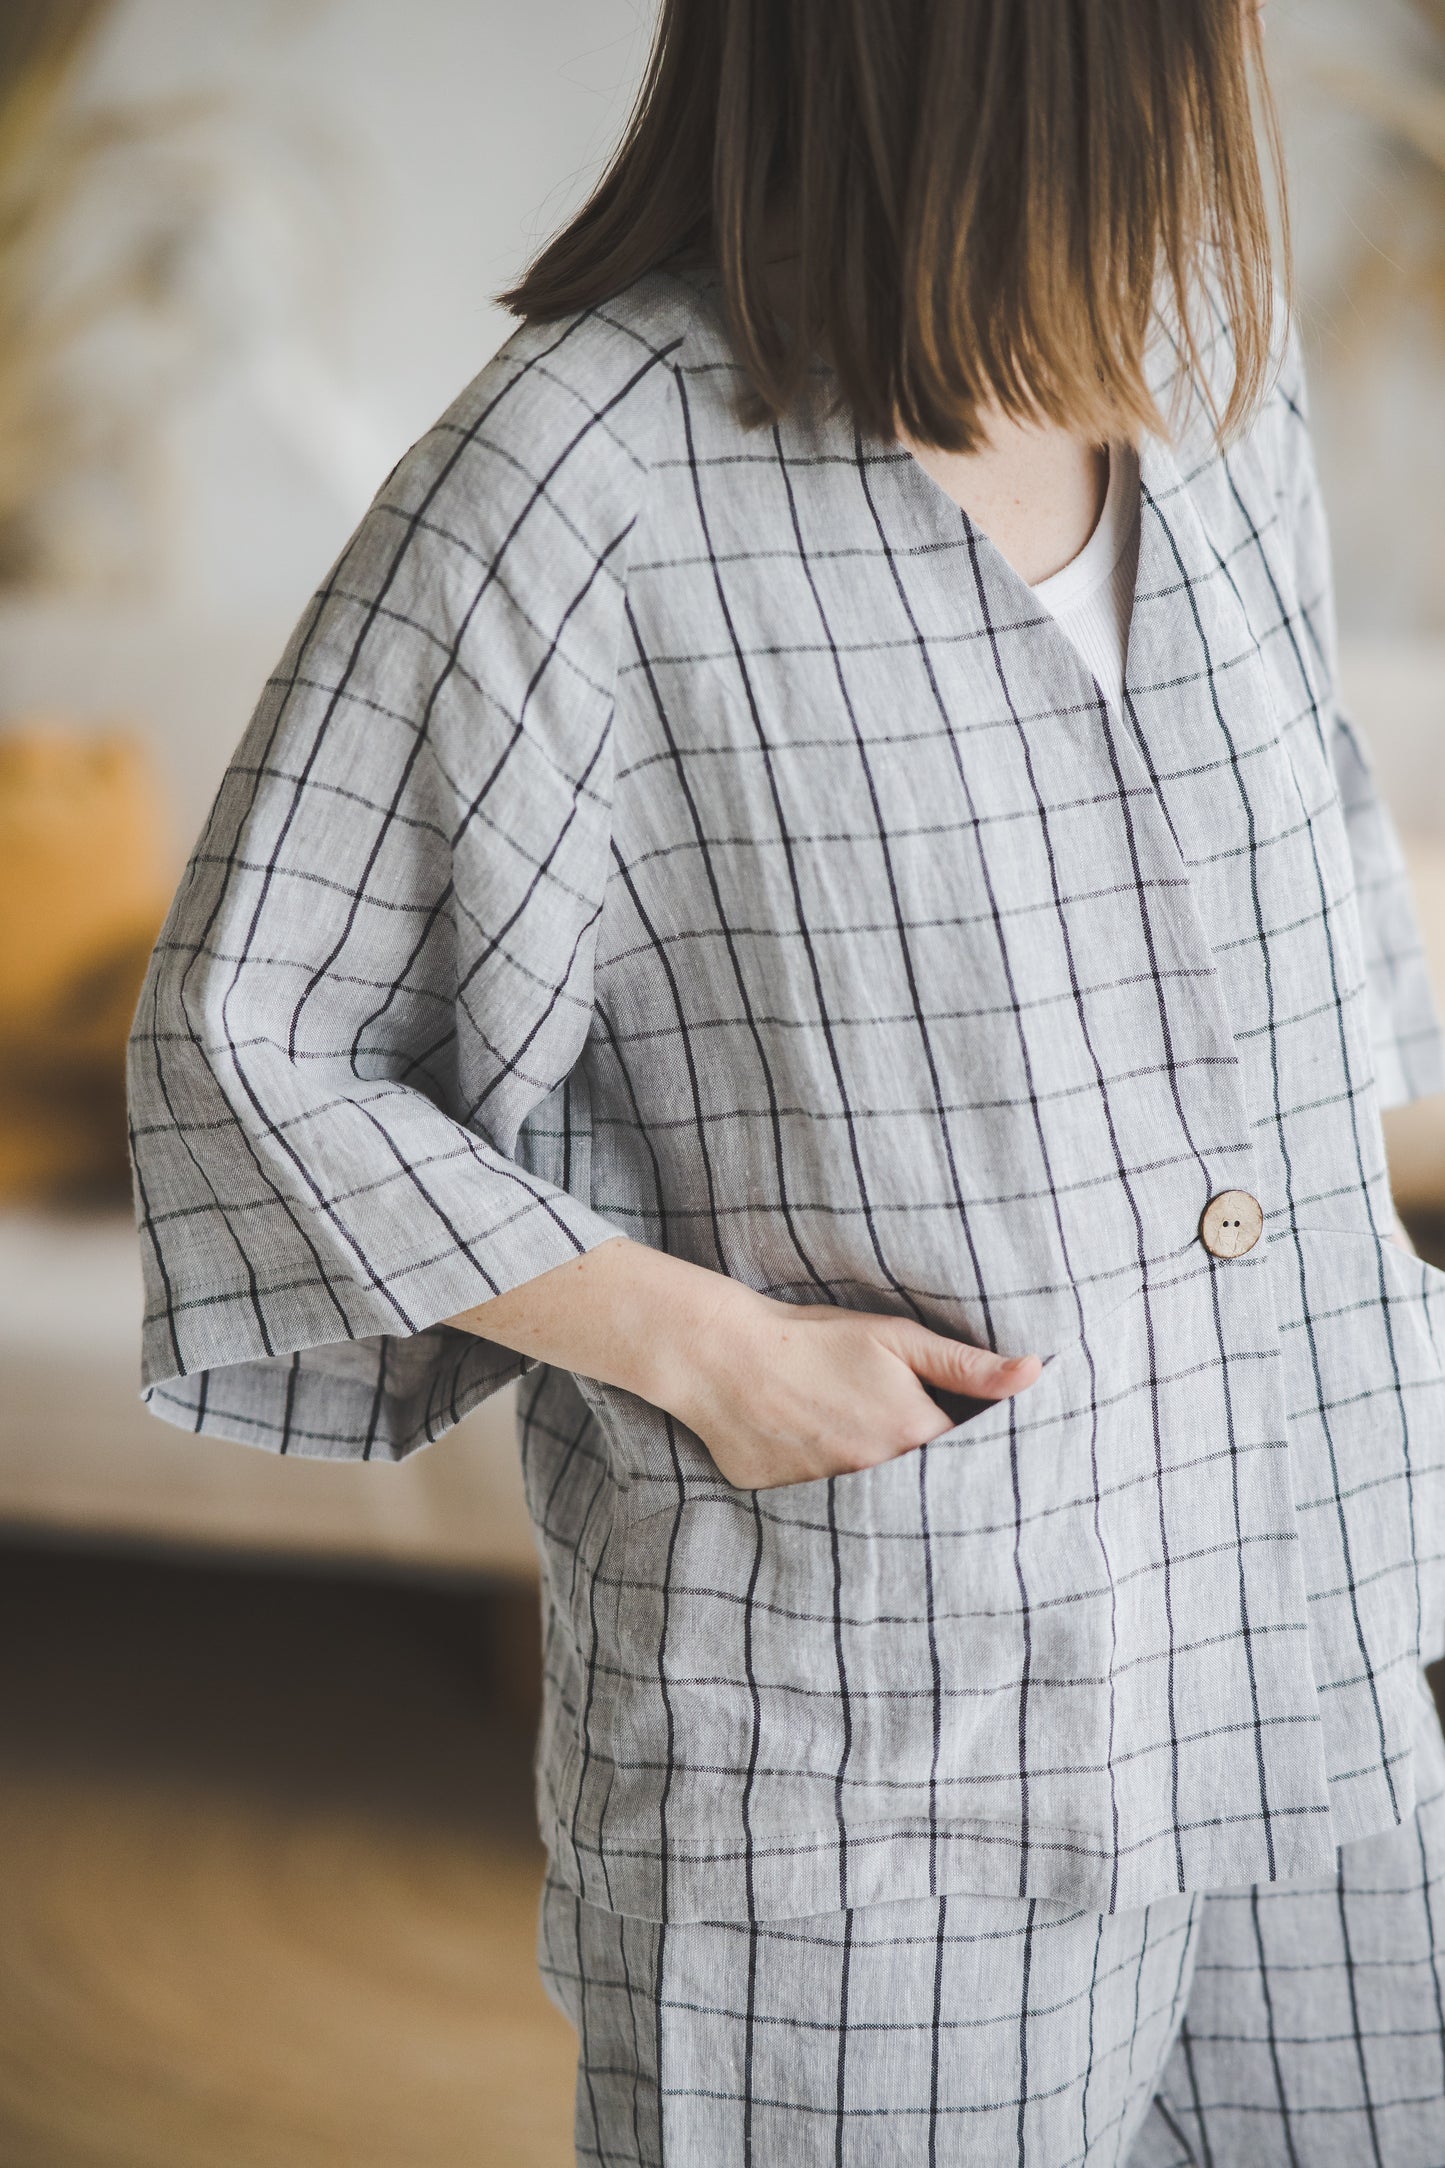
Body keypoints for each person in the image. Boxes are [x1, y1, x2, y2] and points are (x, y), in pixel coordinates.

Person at [127, 1, 1445, 2159]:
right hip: (877, 1742)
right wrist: (708, 1348)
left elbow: (1287, 884)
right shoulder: (581, 470)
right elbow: (249, 1034)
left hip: (1295, 1620)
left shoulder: (1205, 351)